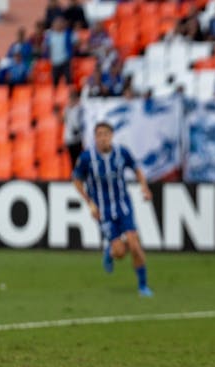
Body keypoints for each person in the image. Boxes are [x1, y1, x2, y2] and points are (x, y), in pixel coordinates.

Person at [72, 122, 154, 297]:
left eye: (106, 134)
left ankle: (143, 286)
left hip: (123, 206)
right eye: (99, 135)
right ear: (95, 138)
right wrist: (90, 203)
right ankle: (110, 252)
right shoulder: (87, 158)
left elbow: (137, 169)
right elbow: (77, 181)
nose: (102, 138)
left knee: (134, 244)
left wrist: (144, 188)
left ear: (112, 135)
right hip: (104, 212)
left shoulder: (121, 153)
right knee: (120, 252)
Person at [63, 89, 83, 168]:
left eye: (73, 98)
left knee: (78, 158)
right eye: (70, 98)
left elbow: (81, 122)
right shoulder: (67, 109)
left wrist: (78, 129)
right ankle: (74, 175)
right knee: (72, 159)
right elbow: (64, 121)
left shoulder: (80, 109)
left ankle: (79, 175)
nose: (71, 100)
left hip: (78, 138)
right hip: (69, 137)